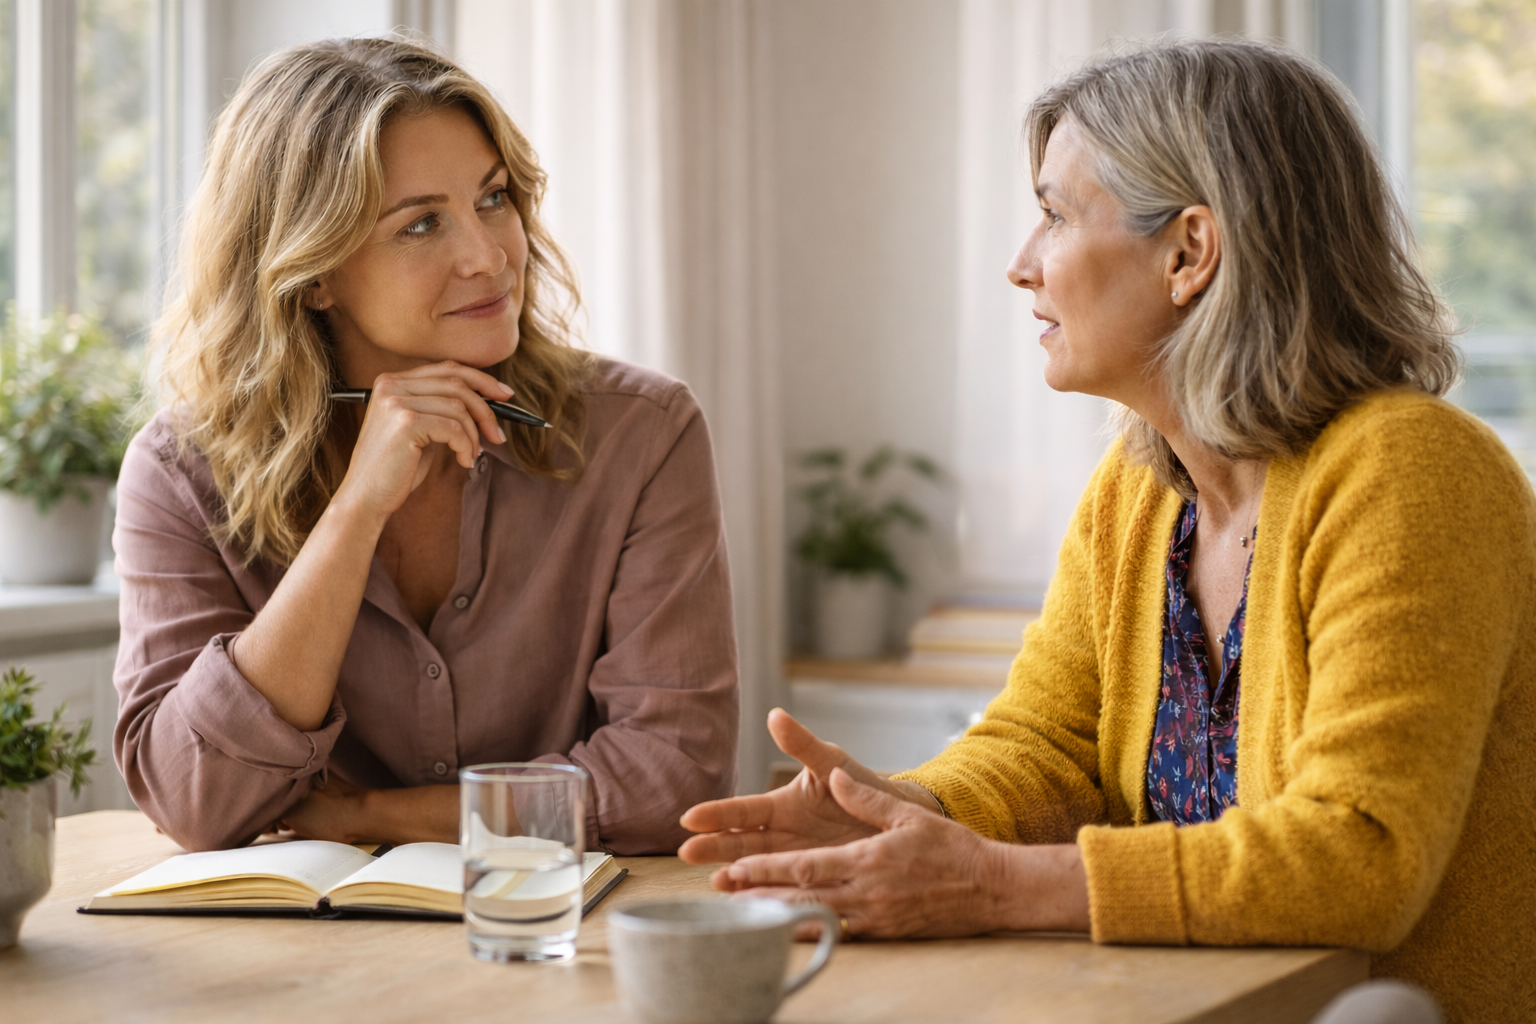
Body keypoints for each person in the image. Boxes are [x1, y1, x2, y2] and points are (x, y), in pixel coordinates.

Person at [679, 39, 1534, 1023]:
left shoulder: (1412, 471)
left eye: (1052, 213)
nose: (1020, 263)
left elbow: (1359, 853)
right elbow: (1049, 742)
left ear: (1189, 253)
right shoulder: (1139, 490)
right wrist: (906, 809)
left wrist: (993, 881)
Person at [113, 37, 739, 855]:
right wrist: (355, 512)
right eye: (419, 225)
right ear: (313, 274)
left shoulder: (642, 435)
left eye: (493, 199)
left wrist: (372, 818)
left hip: (564, 943)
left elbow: (673, 783)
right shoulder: (182, 474)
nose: (488, 257)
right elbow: (191, 798)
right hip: (299, 964)